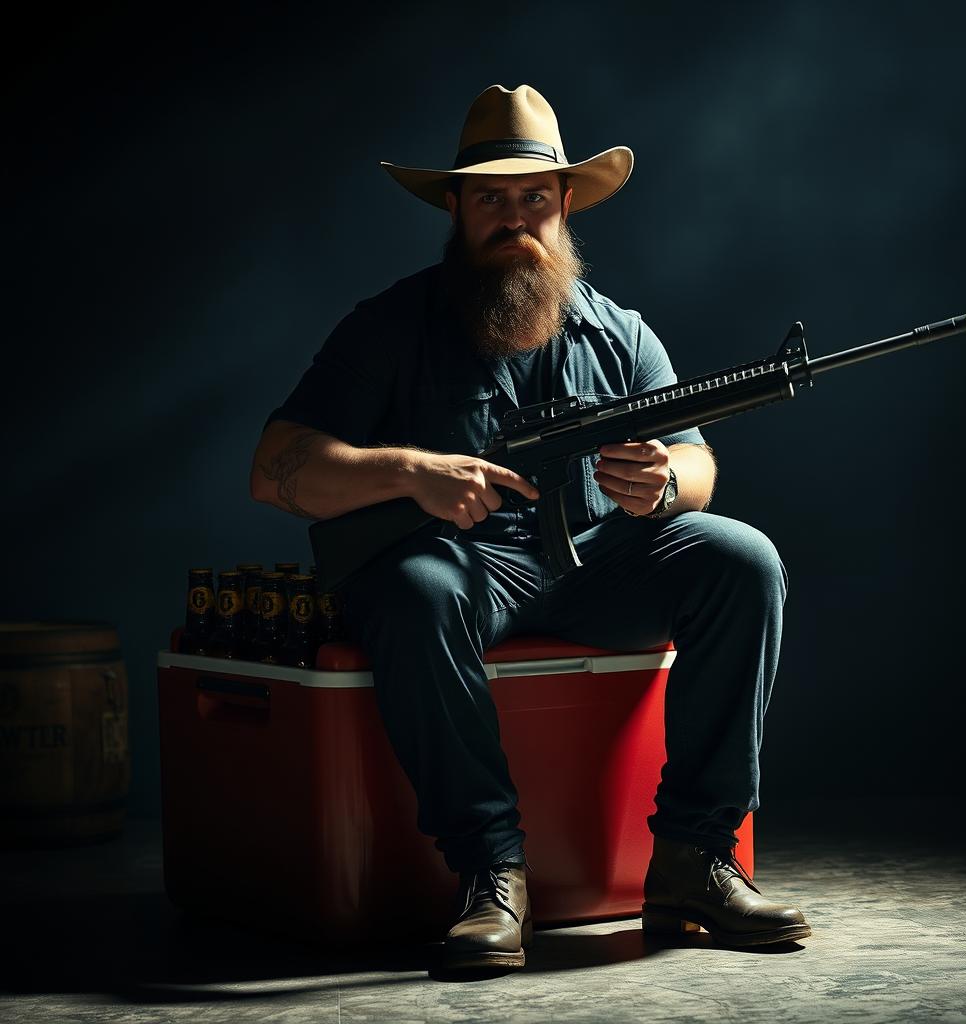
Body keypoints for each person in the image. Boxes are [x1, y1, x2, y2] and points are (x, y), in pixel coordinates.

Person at [250, 84, 811, 970]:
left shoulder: (618, 332)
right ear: (455, 206)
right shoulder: (390, 328)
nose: (514, 217)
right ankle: (490, 873)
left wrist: (664, 484)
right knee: (411, 589)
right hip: (463, 569)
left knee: (744, 560)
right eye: (491, 198)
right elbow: (275, 466)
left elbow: (696, 463)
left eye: (533, 198)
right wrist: (410, 471)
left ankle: (695, 857)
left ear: (564, 206)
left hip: (597, 568)